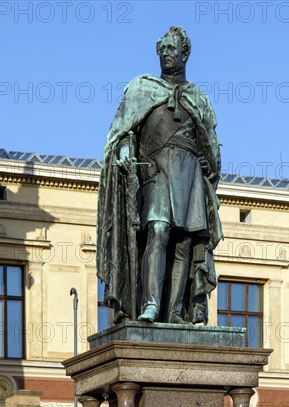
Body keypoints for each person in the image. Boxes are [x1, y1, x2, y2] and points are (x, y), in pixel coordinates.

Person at [97, 26, 222, 324]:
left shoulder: (199, 99)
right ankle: (151, 304)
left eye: (171, 48)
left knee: (184, 241)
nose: (165, 53)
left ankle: (177, 311)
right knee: (158, 229)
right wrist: (125, 150)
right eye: (161, 49)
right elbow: (124, 132)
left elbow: (212, 145)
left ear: (185, 54)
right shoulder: (142, 89)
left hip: (190, 173)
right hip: (156, 171)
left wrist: (210, 166)